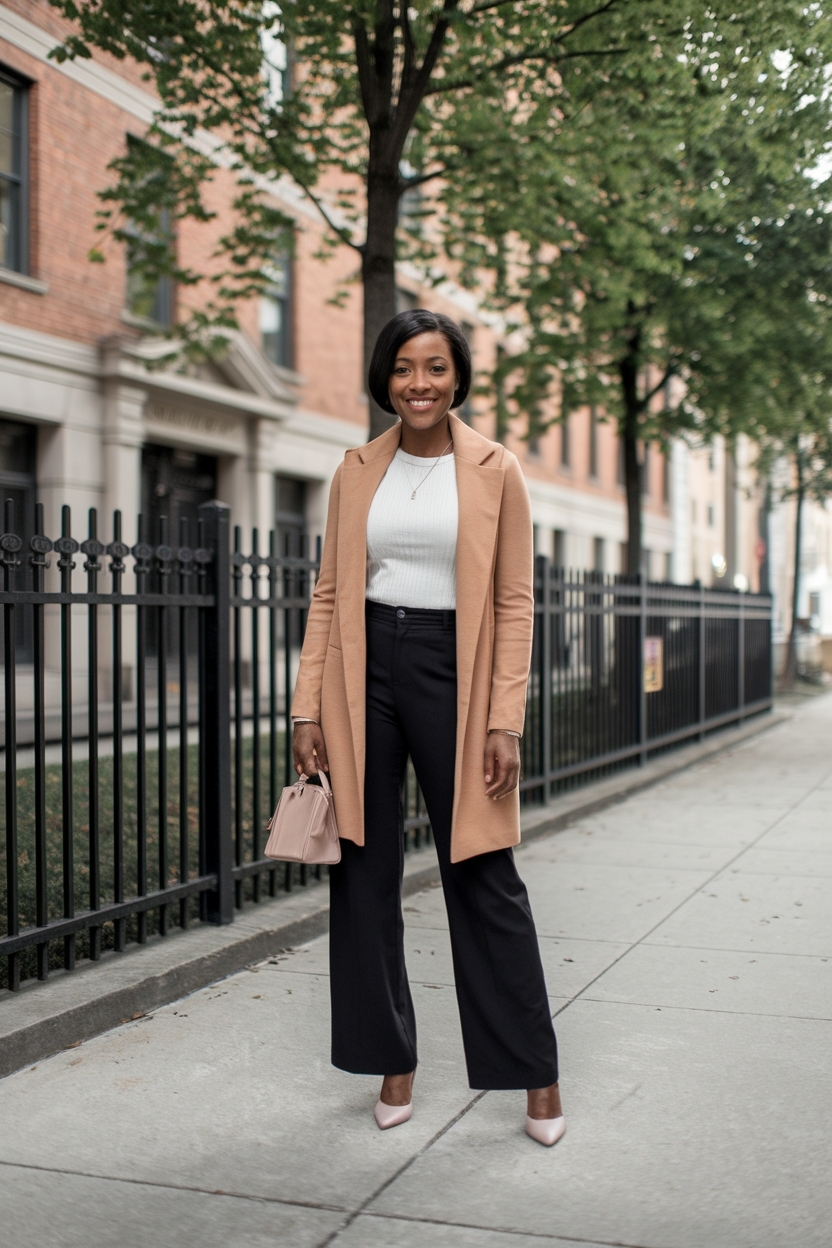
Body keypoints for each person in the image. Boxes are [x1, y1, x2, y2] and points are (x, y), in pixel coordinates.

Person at [291, 309, 564, 1147]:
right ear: (386, 378)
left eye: (436, 367)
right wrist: (307, 706)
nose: (420, 383)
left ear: (458, 377)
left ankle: (536, 1075)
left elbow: (516, 602)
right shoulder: (354, 470)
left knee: (483, 876)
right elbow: (331, 594)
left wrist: (503, 720)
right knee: (364, 878)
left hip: (458, 668)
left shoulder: (495, 469)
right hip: (362, 670)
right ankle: (393, 1062)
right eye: (405, 367)